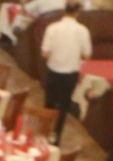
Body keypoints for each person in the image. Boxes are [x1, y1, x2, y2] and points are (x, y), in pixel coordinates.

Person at [39, 1, 92, 145]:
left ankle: (44, 134)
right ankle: (55, 139)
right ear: (78, 11)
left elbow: (44, 53)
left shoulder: (52, 28)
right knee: (63, 107)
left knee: (49, 104)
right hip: (70, 74)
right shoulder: (83, 31)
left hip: (53, 71)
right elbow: (87, 55)